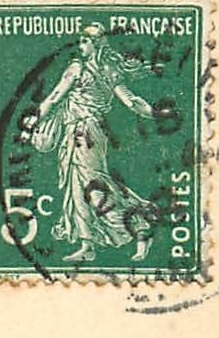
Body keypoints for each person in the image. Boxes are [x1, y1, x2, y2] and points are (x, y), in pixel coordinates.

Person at [26, 22, 160, 263]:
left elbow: (55, 98)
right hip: (78, 133)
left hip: (85, 134)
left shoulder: (80, 69)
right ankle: (87, 244)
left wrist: (33, 121)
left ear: (97, 44)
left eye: (85, 41)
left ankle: (141, 228)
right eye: (81, 41)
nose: (81, 46)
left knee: (95, 188)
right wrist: (155, 113)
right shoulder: (107, 69)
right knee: (76, 189)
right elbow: (132, 102)